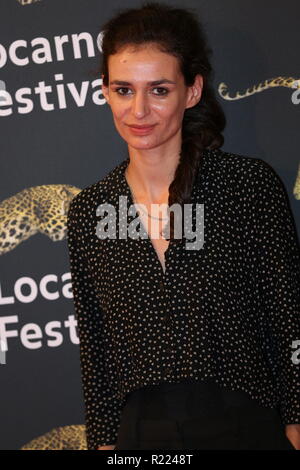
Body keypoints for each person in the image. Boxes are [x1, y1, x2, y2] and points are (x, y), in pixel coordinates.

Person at [66, 1, 300, 450]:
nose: (138, 111)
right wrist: (103, 439)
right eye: (123, 90)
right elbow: (96, 349)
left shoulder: (246, 185)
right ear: (105, 91)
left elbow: (289, 317)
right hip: (141, 436)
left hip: (246, 424)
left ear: (192, 91)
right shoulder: (90, 211)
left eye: (158, 90)